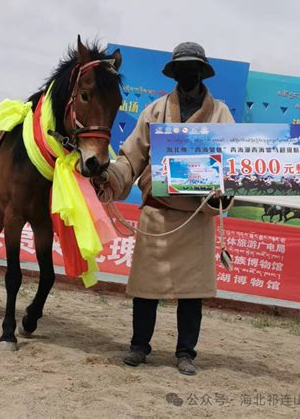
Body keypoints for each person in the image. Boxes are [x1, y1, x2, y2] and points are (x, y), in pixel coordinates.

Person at [98, 42, 234, 376]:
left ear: (202, 72)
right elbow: (131, 156)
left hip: (195, 217)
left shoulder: (221, 115)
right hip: (157, 215)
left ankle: (186, 352)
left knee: (193, 292)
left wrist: (223, 188)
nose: (188, 74)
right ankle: (139, 345)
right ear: (174, 73)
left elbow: (233, 165)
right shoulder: (155, 111)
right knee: (146, 287)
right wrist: (109, 176)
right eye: (182, 68)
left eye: (193, 68)